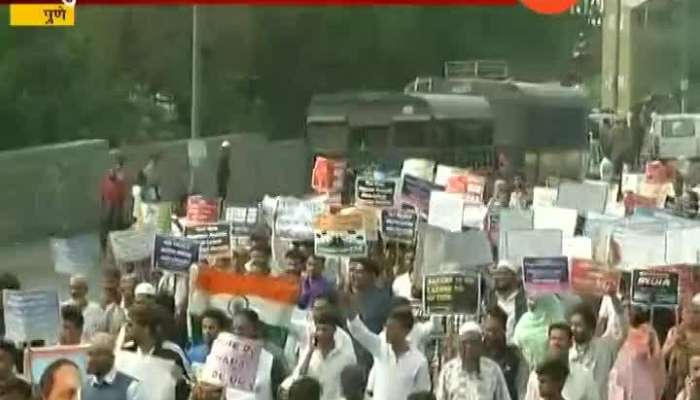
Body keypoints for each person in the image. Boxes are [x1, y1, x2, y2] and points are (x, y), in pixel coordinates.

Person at [346, 296, 431, 400]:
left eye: (392, 328)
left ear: (406, 331)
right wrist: (350, 312)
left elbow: (423, 394)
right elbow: (361, 333)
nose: (387, 332)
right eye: (387, 327)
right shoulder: (381, 349)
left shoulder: (419, 361)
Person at [122, 303, 190, 400]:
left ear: (146, 328)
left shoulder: (170, 354)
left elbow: (184, 388)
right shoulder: (126, 352)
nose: (126, 328)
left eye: (130, 324)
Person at [288, 311, 357, 400]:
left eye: (324, 330)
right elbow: (297, 380)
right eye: (317, 329)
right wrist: (309, 352)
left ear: (334, 330)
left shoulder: (346, 357)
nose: (320, 334)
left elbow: (350, 389)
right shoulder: (309, 353)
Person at [435, 321, 511, 400]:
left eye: (473, 343)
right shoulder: (448, 371)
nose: (469, 348)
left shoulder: (493, 370)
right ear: (459, 345)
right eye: (465, 343)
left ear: (480, 345)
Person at [569, 296, 625, 400]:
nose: (573, 329)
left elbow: (623, 331)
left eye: (578, 325)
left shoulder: (604, 348)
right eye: (571, 325)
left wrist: (613, 298)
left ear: (590, 327)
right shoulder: (567, 352)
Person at [523, 323, 599, 400]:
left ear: (571, 343)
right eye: (553, 338)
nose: (556, 343)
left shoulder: (584, 375)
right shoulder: (535, 376)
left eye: (560, 339)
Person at [607, 306, 665, 400]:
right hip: (622, 382)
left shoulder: (648, 332)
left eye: (630, 310)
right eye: (626, 310)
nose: (629, 313)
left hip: (642, 383)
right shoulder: (618, 331)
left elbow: (655, 357)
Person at [228, 308, 285, 400]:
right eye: (234, 329)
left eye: (241, 329)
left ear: (255, 329)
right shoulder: (228, 353)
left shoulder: (273, 356)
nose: (236, 333)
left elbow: (282, 391)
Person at [482, 306, 529, 400]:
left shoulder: (516, 357)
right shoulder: (477, 354)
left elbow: (522, 392)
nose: (491, 335)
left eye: (495, 331)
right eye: (488, 330)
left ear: (504, 330)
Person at [83, 333, 142, 400]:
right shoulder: (84, 386)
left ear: (111, 358)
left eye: (96, 354)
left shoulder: (131, 387)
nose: (89, 360)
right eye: (88, 354)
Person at [664, 293, 700, 398]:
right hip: (676, 383)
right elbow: (661, 357)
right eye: (687, 311)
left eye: (696, 312)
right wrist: (672, 343)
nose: (690, 315)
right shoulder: (674, 332)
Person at [487, 260, 527, 344]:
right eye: (497, 274)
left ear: (515, 277)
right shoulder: (489, 299)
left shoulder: (525, 300)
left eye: (504, 273)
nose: (500, 277)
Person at [63, 274, 103, 342]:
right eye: (71, 288)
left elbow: (101, 335)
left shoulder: (96, 310)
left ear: (86, 290)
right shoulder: (63, 309)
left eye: (78, 288)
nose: (74, 291)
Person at [100, 155, 129, 249]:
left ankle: (110, 236)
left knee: (113, 217)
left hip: (114, 198)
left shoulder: (119, 174)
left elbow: (119, 185)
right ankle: (107, 238)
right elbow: (112, 181)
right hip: (112, 198)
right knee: (110, 218)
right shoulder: (115, 174)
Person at [100, 268, 126, 335]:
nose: (108, 286)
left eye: (111, 282)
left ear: (119, 282)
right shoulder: (103, 304)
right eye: (105, 282)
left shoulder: (126, 304)